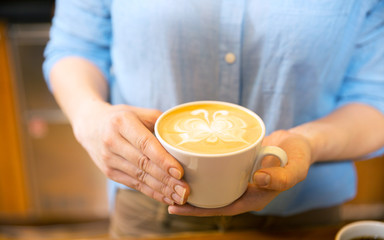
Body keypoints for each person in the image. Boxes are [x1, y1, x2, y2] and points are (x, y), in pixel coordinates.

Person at [43, 0, 384, 238]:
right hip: (149, 206)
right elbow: (77, 46)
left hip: (302, 216)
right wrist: (89, 116)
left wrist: (309, 142)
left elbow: (374, 97)